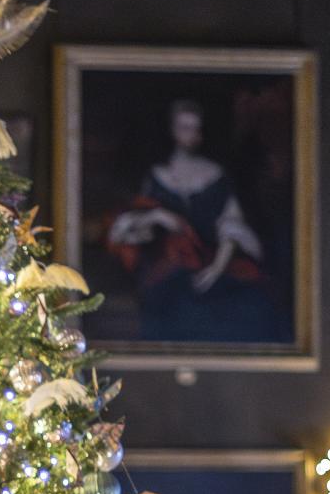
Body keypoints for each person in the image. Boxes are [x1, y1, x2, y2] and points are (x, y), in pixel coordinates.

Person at [103, 99, 281, 344]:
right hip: (165, 270)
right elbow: (134, 224)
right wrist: (159, 216)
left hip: (212, 266)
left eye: (195, 128)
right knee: (163, 304)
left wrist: (215, 269)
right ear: (173, 130)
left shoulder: (216, 175)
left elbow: (232, 227)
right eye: (184, 127)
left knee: (252, 306)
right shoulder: (157, 176)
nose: (191, 134)